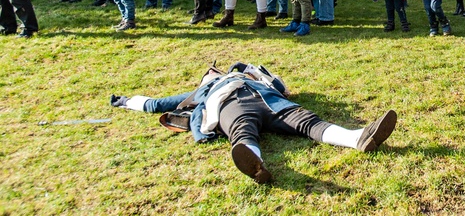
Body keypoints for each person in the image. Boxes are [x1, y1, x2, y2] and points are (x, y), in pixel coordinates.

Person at [109, 62, 397, 184]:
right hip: (229, 105)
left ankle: (358, 137)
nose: (212, 72)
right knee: (242, 131)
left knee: (307, 120)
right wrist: (125, 100)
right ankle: (255, 165)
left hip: (268, 99)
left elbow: (281, 85)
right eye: (208, 72)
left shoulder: (253, 76)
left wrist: (251, 71)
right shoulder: (201, 92)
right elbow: (155, 104)